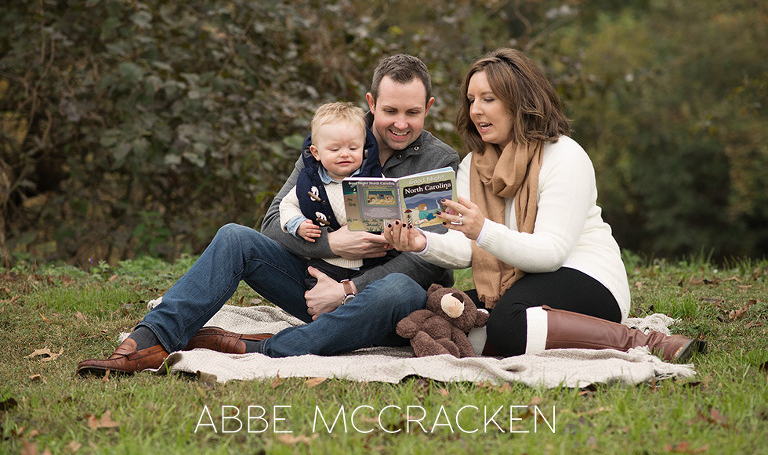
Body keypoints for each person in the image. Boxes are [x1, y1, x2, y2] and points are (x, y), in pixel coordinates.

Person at [76, 54, 459, 376]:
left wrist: (345, 291)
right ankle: (148, 342)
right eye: (390, 110)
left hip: (382, 300)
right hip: (314, 284)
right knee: (234, 237)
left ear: (428, 107)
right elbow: (273, 222)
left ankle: (257, 349)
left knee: (401, 289)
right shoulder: (331, 138)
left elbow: (429, 262)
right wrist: (330, 242)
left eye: (412, 112)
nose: (400, 123)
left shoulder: (440, 162)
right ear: (371, 103)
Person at [384, 48, 706, 363]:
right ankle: (512, 337)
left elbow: (551, 253)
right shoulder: (474, 165)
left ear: (518, 101)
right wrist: (421, 242)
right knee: (441, 313)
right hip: (521, 283)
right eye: (471, 100)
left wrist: (483, 229)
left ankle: (644, 342)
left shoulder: (564, 156)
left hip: (587, 278)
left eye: (488, 99)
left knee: (507, 322)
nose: (476, 110)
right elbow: (469, 249)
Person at [279, 101, 382, 288]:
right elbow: (286, 205)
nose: (345, 154)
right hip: (326, 263)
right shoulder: (310, 183)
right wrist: (297, 224)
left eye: (353, 148)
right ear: (316, 153)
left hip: (369, 263)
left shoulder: (373, 178)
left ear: (364, 148)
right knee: (316, 288)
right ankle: (324, 316)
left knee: (374, 290)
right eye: (335, 149)